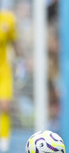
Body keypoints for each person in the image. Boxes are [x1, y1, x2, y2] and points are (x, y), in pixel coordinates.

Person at [0, 10, 17, 153]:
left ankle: (4, 142)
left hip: (3, 71)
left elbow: (14, 43)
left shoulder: (8, 19)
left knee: (4, 106)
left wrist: (19, 62)